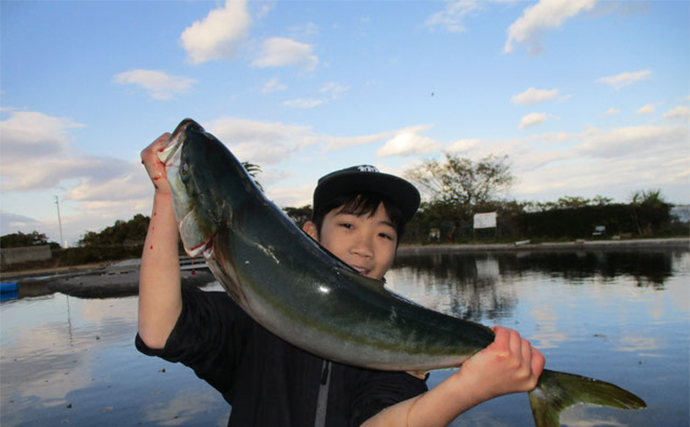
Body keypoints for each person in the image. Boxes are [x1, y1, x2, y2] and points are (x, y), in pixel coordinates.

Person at [136, 132, 545, 427]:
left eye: (384, 234)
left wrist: (467, 389)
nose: (365, 246)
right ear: (309, 234)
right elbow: (159, 330)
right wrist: (167, 196)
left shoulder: (398, 345)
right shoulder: (255, 314)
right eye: (347, 225)